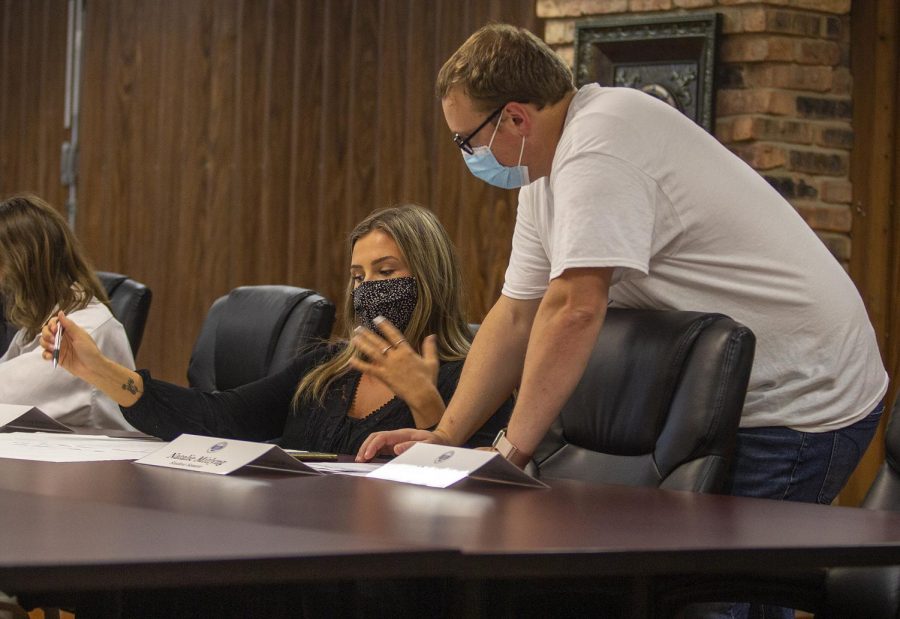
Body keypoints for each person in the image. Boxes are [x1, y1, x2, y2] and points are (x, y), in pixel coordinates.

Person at [357, 23, 888, 531]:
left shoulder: (600, 140)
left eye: (465, 140)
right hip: (735, 392)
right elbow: (517, 313)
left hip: (802, 394)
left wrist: (507, 454)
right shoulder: (544, 174)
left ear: (514, 119)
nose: (467, 156)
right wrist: (446, 434)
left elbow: (575, 307)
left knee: (726, 590)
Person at [41, 204, 510, 453]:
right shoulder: (327, 367)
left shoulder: (472, 376)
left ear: (429, 277)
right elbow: (219, 418)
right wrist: (98, 369)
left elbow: (483, 492)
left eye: (386, 273)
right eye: (358, 277)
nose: (368, 290)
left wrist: (426, 405)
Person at [0, 194, 136, 430]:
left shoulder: (84, 330)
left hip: (100, 464)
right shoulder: (38, 324)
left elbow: (7, 395)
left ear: (23, 264)